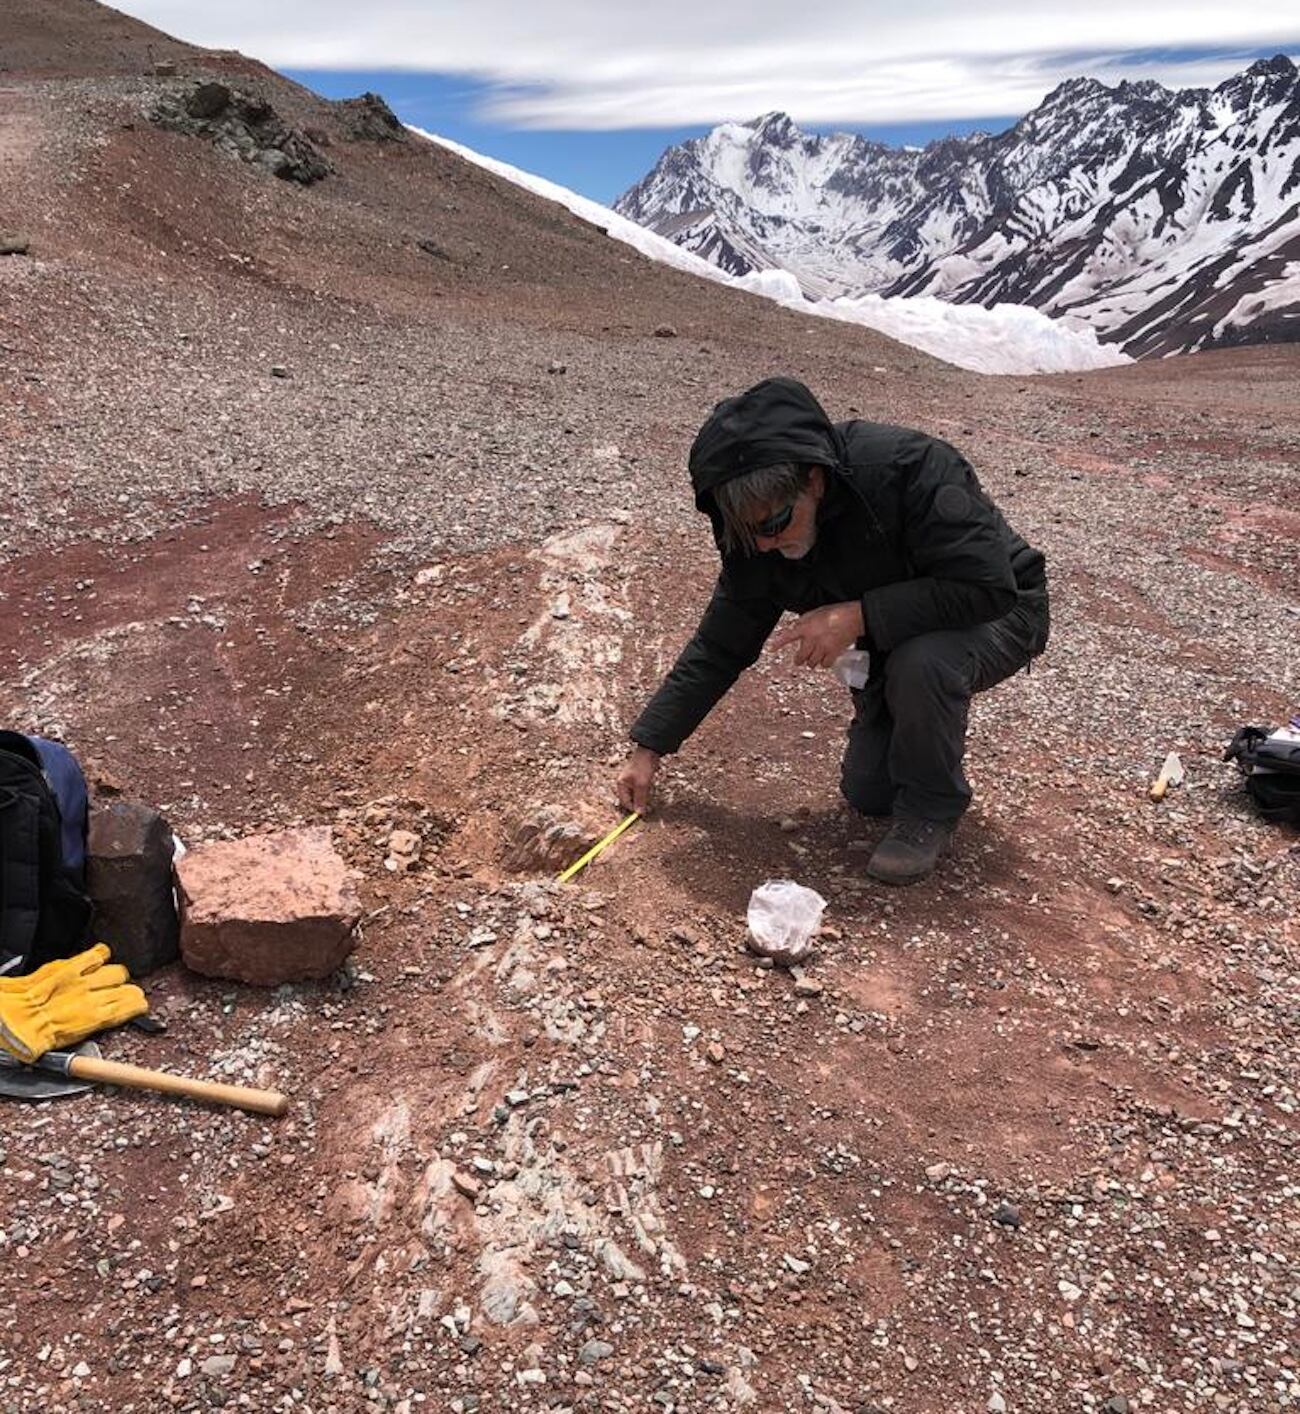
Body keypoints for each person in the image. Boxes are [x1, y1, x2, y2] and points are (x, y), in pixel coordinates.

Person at [615, 376, 1049, 884]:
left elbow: (986, 586)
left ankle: (931, 809)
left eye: (776, 523)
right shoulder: (754, 533)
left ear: (815, 481)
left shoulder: (912, 468)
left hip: (997, 611)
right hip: (892, 636)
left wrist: (858, 616)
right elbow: (721, 645)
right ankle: (901, 718)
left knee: (924, 663)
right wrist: (649, 748)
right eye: (745, 531)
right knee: (868, 793)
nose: (763, 544)